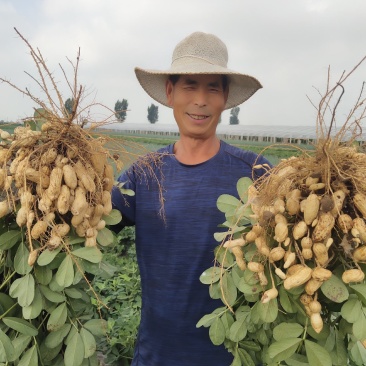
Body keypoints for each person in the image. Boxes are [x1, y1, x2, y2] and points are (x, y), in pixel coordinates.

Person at [111, 31, 270, 366]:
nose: (200, 99)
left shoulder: (256, 173)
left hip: (232, 355)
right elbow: (92, 219)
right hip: (155, 356)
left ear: (225, 97)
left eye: (213, 87)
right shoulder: (144, 173)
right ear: (170, 93)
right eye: (189, 85)